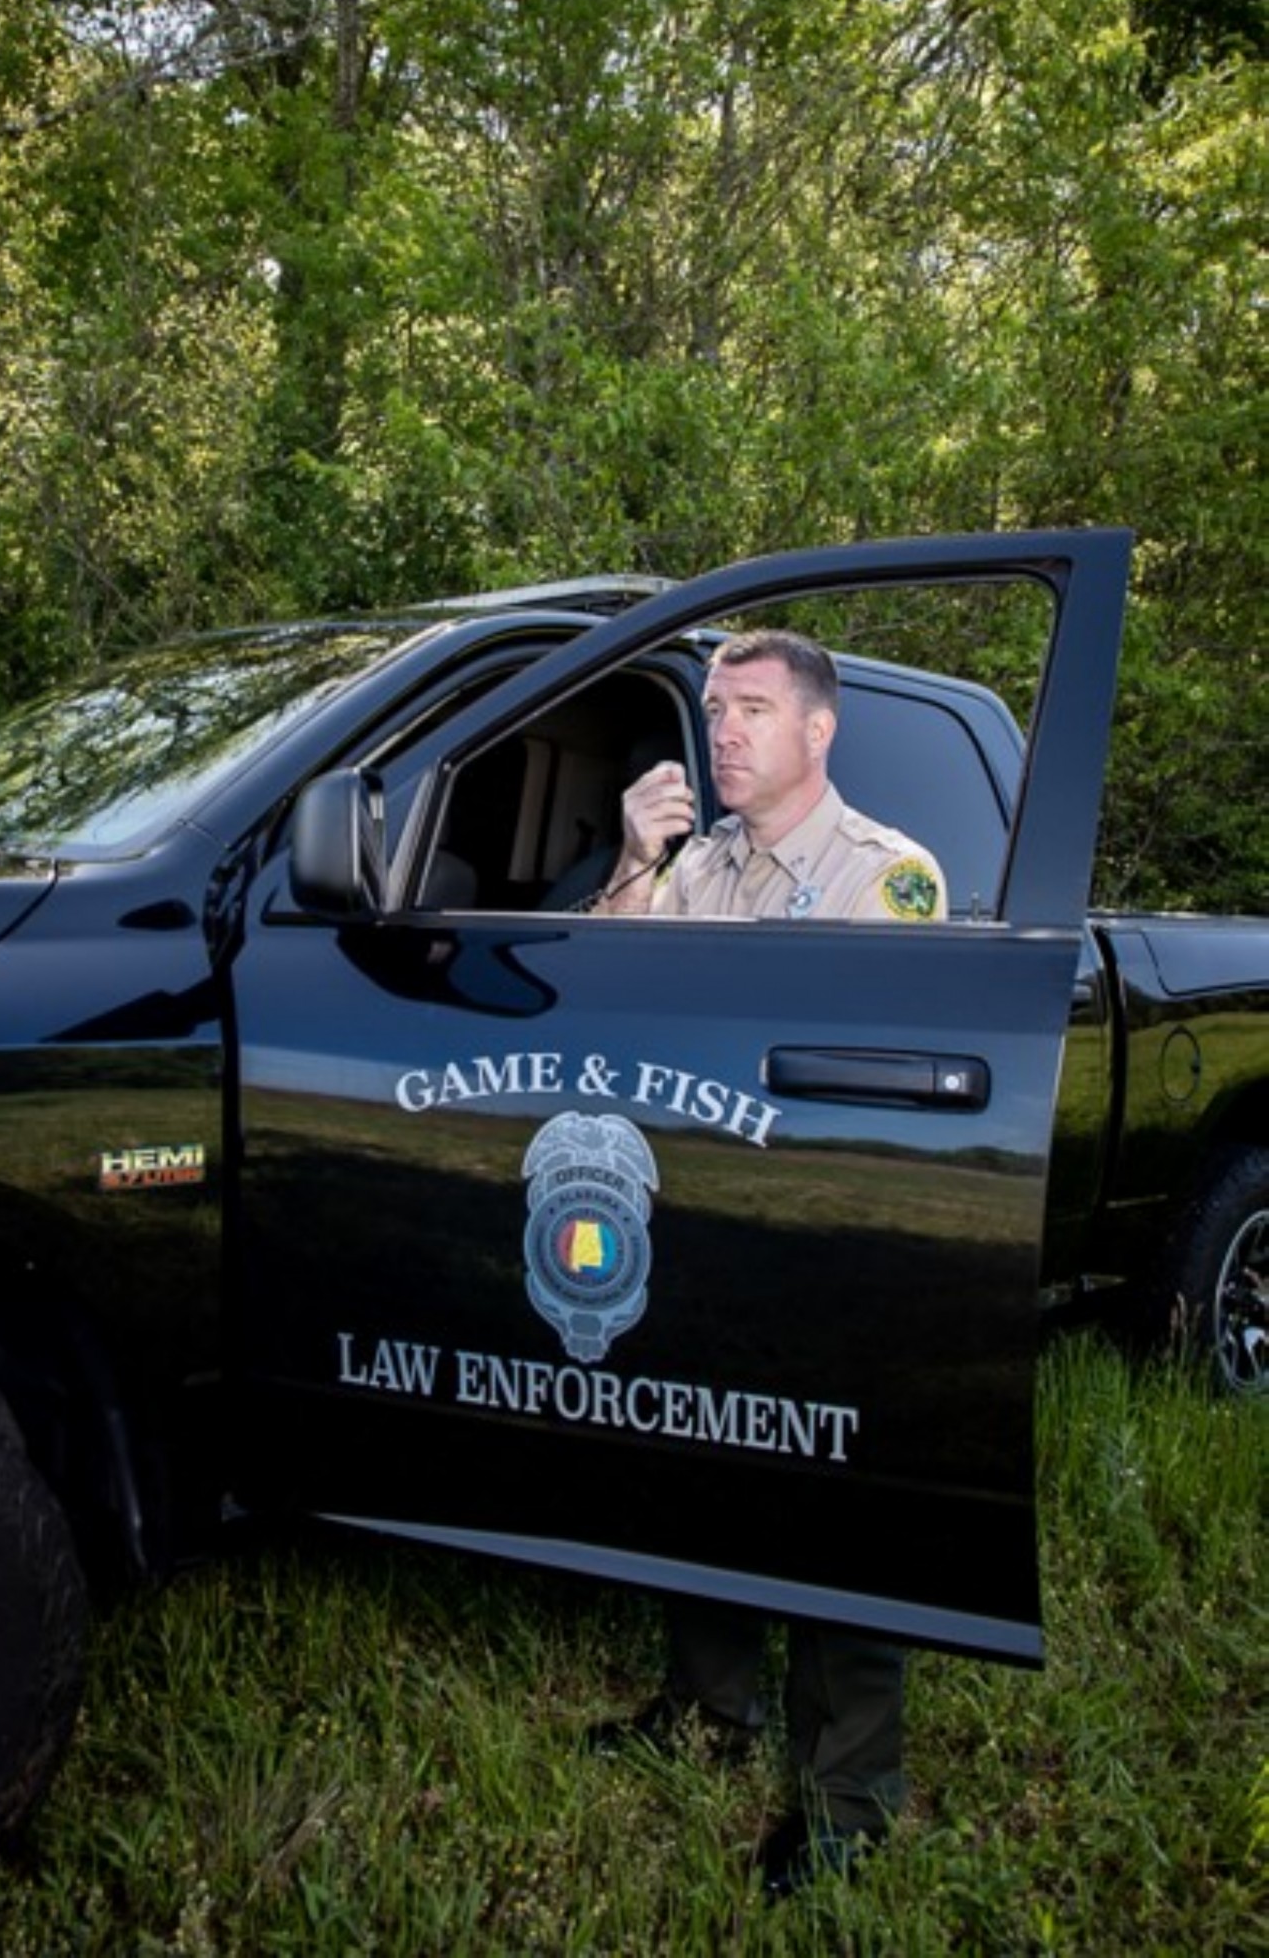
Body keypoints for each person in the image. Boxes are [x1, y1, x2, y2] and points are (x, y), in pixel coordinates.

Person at [590, 627, 948, 1899]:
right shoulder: (697, 868)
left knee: (839, 1507)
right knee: (700, 1459)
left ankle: (848, 1796)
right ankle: (706, 1704)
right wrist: (635, 861)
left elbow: (865, 1063)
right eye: (713, 707)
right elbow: (609, 1006)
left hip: (827, 1231)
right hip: (705, 1219)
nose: (722, 729)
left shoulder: (888, 875)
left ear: (817, 728)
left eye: (749, 707)